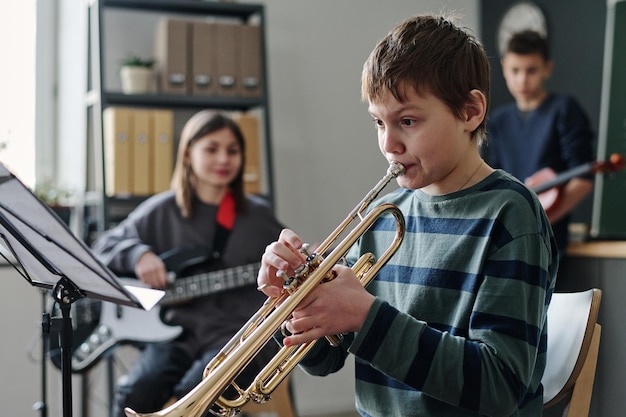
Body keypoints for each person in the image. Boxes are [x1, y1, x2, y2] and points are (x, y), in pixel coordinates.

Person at [257, 14, 558, 417]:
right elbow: (326, 362)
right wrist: (295, 304)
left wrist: (366, 317)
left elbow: (498, 386)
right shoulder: (384, 216)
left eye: (408, 121)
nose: (388, 143)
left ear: (470, 111)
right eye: (379, 122)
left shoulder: (510, 214)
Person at [91, 110, 284, 417]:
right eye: (212, 149)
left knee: (199, 394)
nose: (224, 159)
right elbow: (102, 247)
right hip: (174, 333)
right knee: (137, 391)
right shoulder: (161, 210)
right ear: (187, 154)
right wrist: (137, 254)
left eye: (232, 151)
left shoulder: (258, 216)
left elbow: (285, 262)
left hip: (234, 335)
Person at [485, 29, 594, 256]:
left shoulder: (564, 110)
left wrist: (537, 223)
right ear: (504, 68)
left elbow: (582, 179)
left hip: (548, 239)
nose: (522, 79)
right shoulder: (498, 120)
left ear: (548, 68)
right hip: (506, 237)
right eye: (515, 70)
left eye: (531, 70)